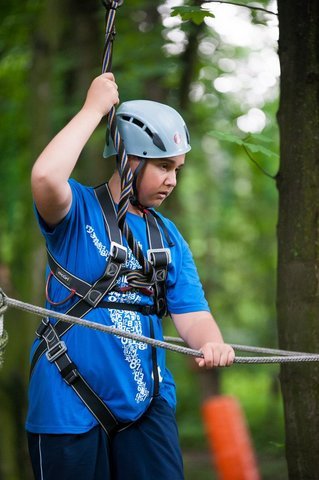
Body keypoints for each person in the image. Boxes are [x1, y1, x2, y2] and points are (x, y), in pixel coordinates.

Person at [26, 72, 235, 480]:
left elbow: (191, 312)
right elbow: (45, 178)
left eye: (177, 168)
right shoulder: (77, 212)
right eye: (162, 166)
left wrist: (211, 343)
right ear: (129, 159)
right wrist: (93, 110)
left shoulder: (167, 237)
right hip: (68, 403)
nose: (172, 180)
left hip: (146, 405)